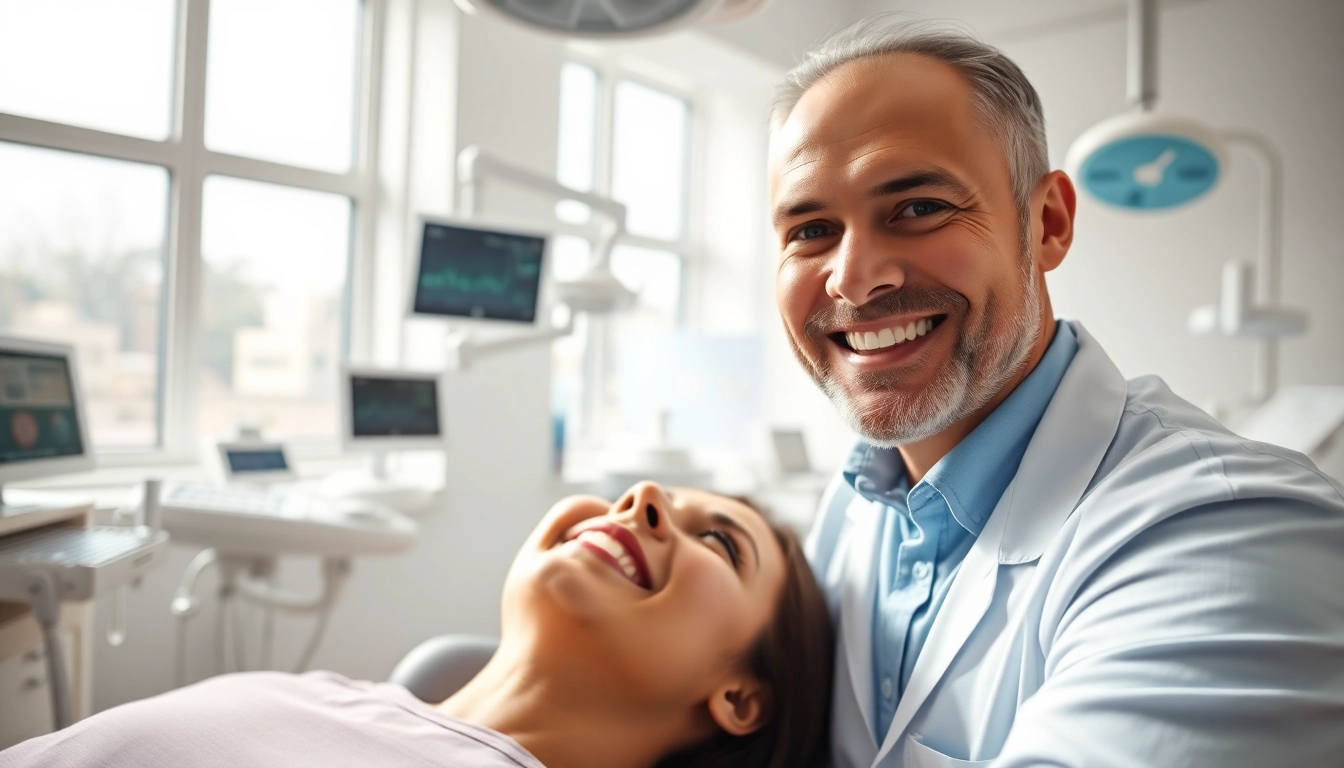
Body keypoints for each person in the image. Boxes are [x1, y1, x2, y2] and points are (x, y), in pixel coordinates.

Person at [770, 16, 1344, 768]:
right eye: (810, 229)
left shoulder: (1232, 536)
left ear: (1047, 223)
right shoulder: (857, 501)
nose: (852, 279)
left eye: (919, 208)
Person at [0, 483, 832, 768]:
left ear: (741, 695)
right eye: (640, 494)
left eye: (720, 543)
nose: (640, 498)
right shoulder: (313, 695)